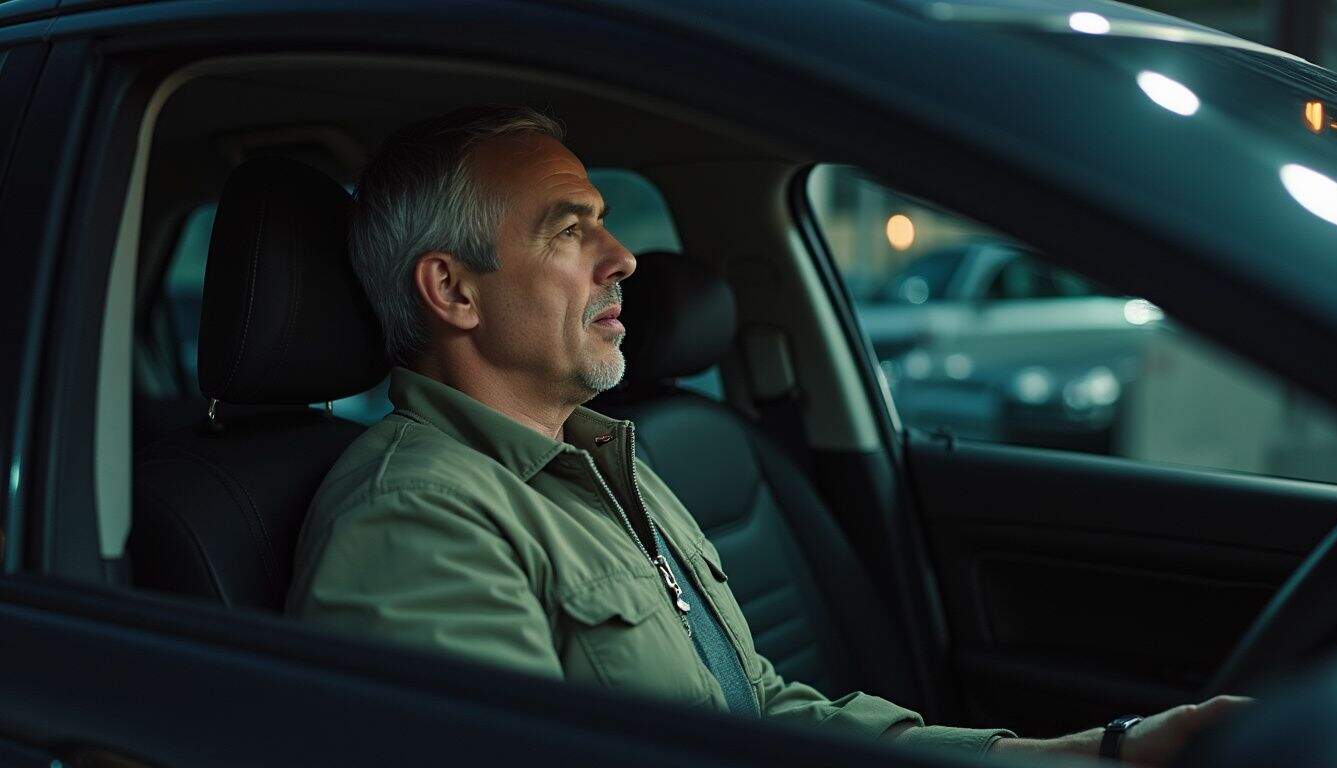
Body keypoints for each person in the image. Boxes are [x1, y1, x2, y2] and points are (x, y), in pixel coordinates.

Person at [285, 105, 1246, 763]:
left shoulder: (606, 460)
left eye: (603, 225)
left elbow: (762, 710)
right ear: (453, 290)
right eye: (569, 229)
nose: (623, 258)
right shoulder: (416, 519)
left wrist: (1084, 751)